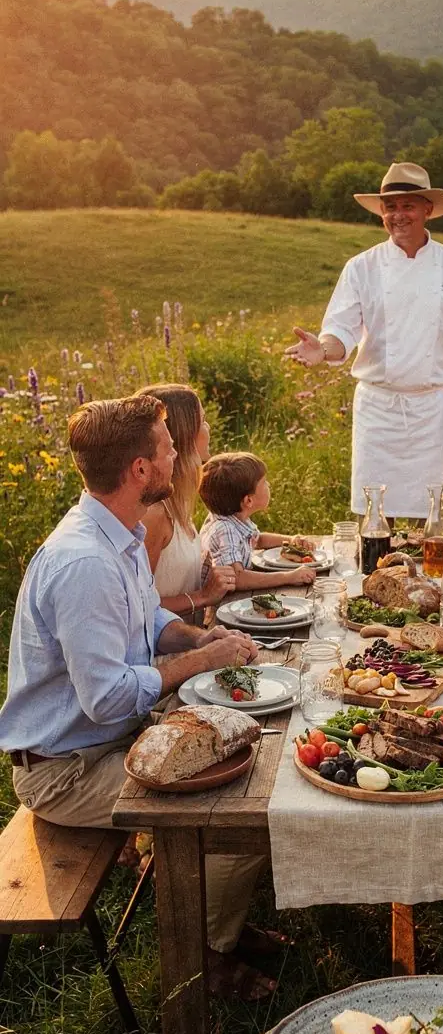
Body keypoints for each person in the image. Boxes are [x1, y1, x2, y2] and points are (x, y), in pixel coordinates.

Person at [0, 395, 279, 1001]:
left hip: (113, 736)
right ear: (140, 469)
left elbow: (149, 617)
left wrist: (199, 637)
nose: (179, 456)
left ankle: (219, 923)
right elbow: (105, 699)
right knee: (237, 803)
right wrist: (199, 662)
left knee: (255, 741)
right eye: (169, 448)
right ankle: (203, 957)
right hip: (65, 772)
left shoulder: (117, 532)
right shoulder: (84, 563)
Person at [285, 161, 443, 518]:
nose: (398, 215)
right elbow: (341, 331)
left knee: (434, 519)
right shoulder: (361, 267)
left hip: (433, 410)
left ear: (428, 209)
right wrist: (323, 350)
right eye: (390, 207)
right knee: (374, 518)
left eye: (408, 205)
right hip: (378, 411)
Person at [137, 383, 236, 617]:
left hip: (192, 635)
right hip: (170, 641)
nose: (208, 428)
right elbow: (138, 607)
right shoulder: (154, 513)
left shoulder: (177, 499)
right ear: (182, 437)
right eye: (202, 421)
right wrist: (203, 596)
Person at [199, 452, 317, 591]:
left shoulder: (231, 516)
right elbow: (236, 578)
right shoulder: (224, 529)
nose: (269, 484)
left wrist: (290, 541)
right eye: (264, 482)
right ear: (248, 500)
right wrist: (288, 577)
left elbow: (258, 540)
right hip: (225, 601)